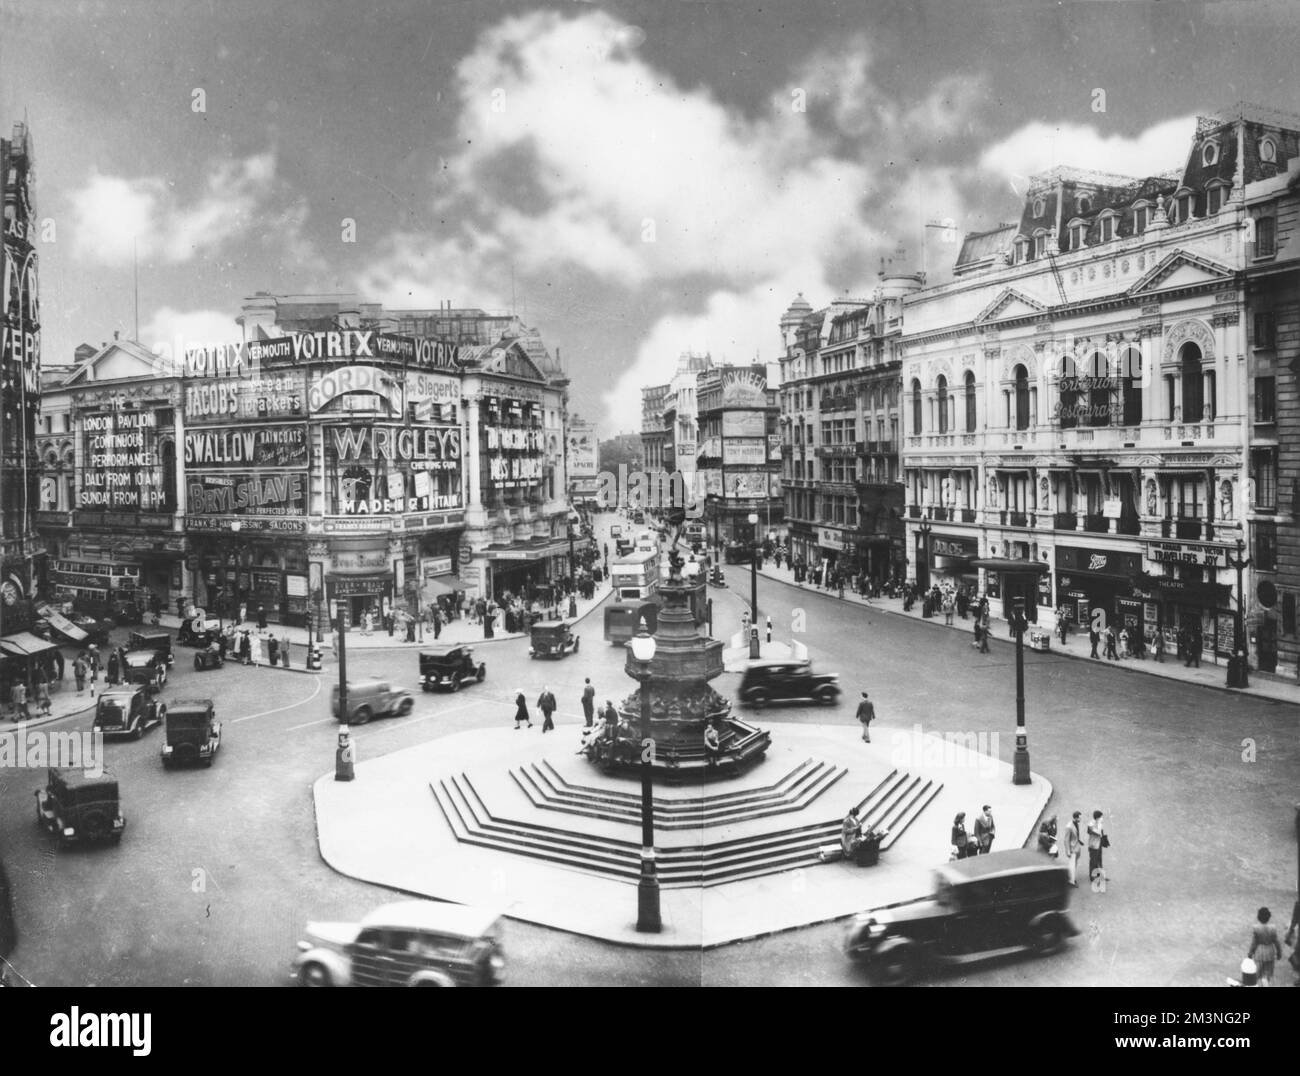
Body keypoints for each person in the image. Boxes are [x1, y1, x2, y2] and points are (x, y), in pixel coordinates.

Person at [1248, 907, 1281, 987]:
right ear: (1269, 917)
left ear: (1258, 917)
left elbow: (1254, 943)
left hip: (1259, 953)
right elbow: (1276, 942)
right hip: (1270, 953)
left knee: (1256, 974)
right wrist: (1279, 952)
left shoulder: (1256, 928)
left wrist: (1250, 952)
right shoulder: (1273, 928)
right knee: (1266, 975)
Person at [1087, 810, 1108, 891]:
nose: (1102, 818)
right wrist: (1099, 825)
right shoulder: (1090, 825)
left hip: (1098, 845)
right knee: (1093, 861)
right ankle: (1092, 876)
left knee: (1099, 860)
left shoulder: (1099, 823)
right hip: (1093, 846)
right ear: (1098, 818)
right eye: (1101, 817)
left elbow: (1101, 833)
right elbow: (1097, 833)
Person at [1063, 811, 1083, 886]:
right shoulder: (1069, 827)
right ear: (1076, 818)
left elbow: (1076, 834)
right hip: (1072, 849)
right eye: (1080, 817)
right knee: (1072, 865)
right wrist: (1068, 851)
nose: (1080, 819)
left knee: (1074, 864)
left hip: (1077, 847)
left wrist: (1079, 841)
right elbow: (1066, 839)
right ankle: (1071, 881)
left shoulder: (1076, 823)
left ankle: (1071, 877)